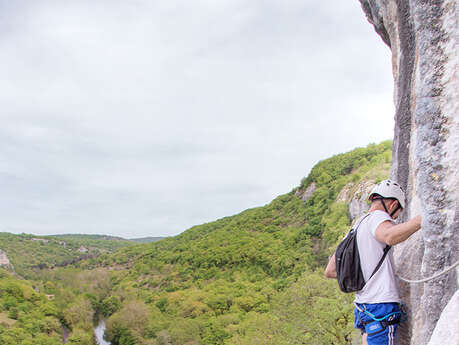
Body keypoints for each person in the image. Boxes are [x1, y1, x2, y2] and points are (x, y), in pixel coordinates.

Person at [324, 179, 422, 345]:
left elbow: (331, 270)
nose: (394, 219)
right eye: (396, 214)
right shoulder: (378, 217)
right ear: (392, 204)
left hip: (363, 307)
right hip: (380, 306)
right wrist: (421, 219)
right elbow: (389, 236)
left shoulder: (356, 226)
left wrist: (363, 271)